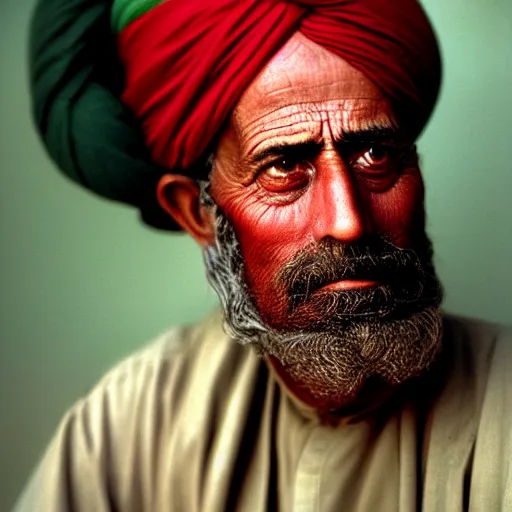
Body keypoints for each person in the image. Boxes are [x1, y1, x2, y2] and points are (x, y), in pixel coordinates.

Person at [14, 0, 511, 510]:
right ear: (198, 214)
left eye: (375, 155)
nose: (348, 221)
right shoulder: (133, 425)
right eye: (284, 168)